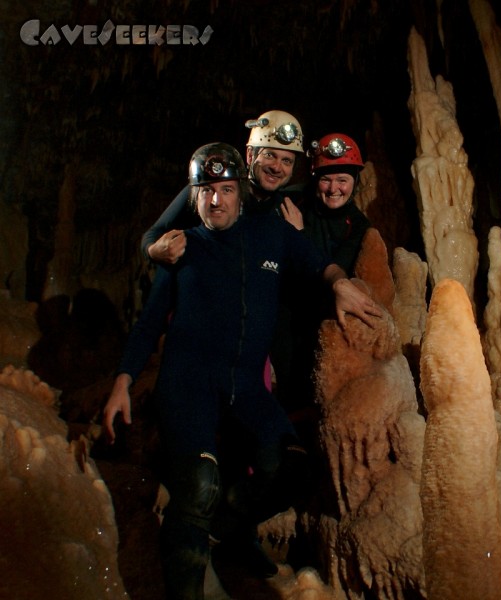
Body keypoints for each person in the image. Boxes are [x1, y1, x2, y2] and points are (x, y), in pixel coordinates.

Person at [103, 142, 380, 599]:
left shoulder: (271, 234)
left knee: (292, 468)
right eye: (206, 191)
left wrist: (341, 284)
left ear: (240, 193)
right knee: (200, 483)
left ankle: (219, 532)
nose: (217, 200)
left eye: (226, 190)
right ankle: (188, 573)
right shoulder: (181, 250)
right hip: (187, 384)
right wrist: (122, 382)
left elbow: (316, 263)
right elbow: (149, 322)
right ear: (194, 198)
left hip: (245, 386)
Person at [278, 133, 372, 429]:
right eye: (326, 179)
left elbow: (334, 273)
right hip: (283, 310)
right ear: (314, 178)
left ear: (355, 181)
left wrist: (298, 236)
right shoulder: (291, 200)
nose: (334, 189)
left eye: (342, 180)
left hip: (320, 317)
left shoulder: (358, 226)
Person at [141, 109, 306, 265]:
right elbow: (154, 234)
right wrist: (154, 252)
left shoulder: (288, 210)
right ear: (250, 155)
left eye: (286, 161)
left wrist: (296, 238)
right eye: (270, 155)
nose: (277, 167)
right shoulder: (211, 193)